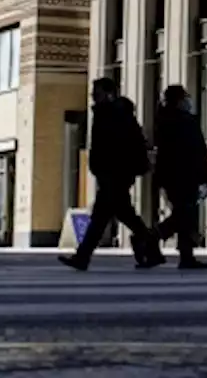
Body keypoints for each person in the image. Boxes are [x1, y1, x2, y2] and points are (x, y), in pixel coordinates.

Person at [60, 78, 165, 271]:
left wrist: (109, 168)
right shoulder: (107, 113)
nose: (93, 96)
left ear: (109, 94)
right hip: (112, 174)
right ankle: (153, 251)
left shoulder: (116, 114)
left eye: (97, 92)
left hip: (115, 174)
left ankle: (82, 257)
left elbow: (120, 145)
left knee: (102, 218)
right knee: (121, 216)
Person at [152, 85, 207, 270]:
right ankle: (151, 237)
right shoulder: (186, 122)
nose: (189, 100)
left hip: (171, 176)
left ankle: (186, 255)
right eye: (186, 97)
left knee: (183, 215)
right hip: (187, 175)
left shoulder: (163, 120)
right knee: (184, 215)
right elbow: (197, 151)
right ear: (179, 100)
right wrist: (206, 176)